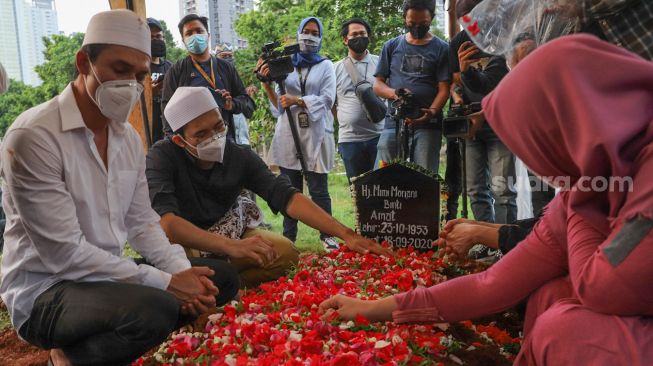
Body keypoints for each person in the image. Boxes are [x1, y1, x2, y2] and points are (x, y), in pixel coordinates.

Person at [320, 35, 653, 365]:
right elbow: (492, 285)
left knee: (562, 328)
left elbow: (602, 286)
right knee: (548, 294)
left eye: (538, 143)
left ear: (571, 122)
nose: (543, 165)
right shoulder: (593, 182)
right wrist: (373, 308)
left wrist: (581, 206)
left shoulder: (626, 178)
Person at [0, 11, 240, 366]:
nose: (130, 83)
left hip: (105, 276)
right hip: (46, 290)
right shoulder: (33, 137)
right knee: (154, 308)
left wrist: (179, 271)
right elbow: (64, 255)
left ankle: (101, 338)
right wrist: (166, 283)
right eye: (119, 69)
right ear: (84, 62)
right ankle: (65, 359)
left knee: (220, 279)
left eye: (140, 74)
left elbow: (141, 221)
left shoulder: (127, 137)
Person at [147, 86, 392, 288]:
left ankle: (224, 282)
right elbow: (168, 224)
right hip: (184, 244)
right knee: (183, 269)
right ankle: (214, 280)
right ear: (179, 141)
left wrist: (346, 235)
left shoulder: (237, 154)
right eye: (201, 134)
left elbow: (285, 196)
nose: (214, 137)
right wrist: (232, 247)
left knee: (285, 253)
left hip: (231, 231)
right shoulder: (162, 156)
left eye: (218, 127)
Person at [259, 17, 339, 251]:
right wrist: (266, 84)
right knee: (290, 189)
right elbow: (278, 108)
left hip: (316, 132)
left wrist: (298, 100)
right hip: (288, 133)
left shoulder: (326, 65)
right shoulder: (285, 64)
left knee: (318, 188)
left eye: (315, 32)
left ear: (320, 36)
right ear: (298, 33)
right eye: (306, 31)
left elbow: (327, 99)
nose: (309, 36)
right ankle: (288, 237)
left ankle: (328, 235)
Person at [449, 0, 518, 251]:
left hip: (498, 124)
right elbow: (454, 82)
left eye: (475, 19)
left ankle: (507, 246)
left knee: (503, 191)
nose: (471, 27)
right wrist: (457, 95)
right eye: (464, 22)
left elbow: (492, 84)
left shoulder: (503, 39)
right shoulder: (457, 43)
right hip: (470, 126)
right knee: (476, 189)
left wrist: (468, 73)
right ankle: (482, 241)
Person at [373, 0, 450, 172]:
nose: (417, 27)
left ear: (431, 19)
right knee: (383, 175)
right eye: (411, 23)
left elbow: (444, 88)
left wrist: (432, 112)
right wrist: (395, 93)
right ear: (404, 19)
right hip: (394, 121)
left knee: (425, 177)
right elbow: (378, 84)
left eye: (423, 24)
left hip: (428, 124)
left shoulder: (442, 48)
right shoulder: (391, 46)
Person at [160, 14, 255, 140]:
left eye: (199, 31)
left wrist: (231, 104)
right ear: (183, 41)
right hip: (194, 145)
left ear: (208, 35)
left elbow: (246, 101)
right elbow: (167, 112)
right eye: (189, 33)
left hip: (226, 139)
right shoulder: (176, 71)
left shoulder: (226, 67)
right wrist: (177, 142)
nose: (195, 36)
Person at [333, 18, 384, 183]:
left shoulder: (381, 63)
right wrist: (346, 119)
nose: (359, 37)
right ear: (345, 39)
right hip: (350, 141)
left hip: (379, 137)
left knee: (382, 188)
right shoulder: (335, 69)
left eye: (362, 33)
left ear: (368, 36)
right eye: (354, 34)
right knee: (358, 192)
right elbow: (331, 104)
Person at [148, 17, 174, 144]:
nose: (155, 40)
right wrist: (149, 94)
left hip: (167, 131)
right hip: (145, 130)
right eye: (150, 37)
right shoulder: (137, 68)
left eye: (158, 36)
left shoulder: (170, 67)